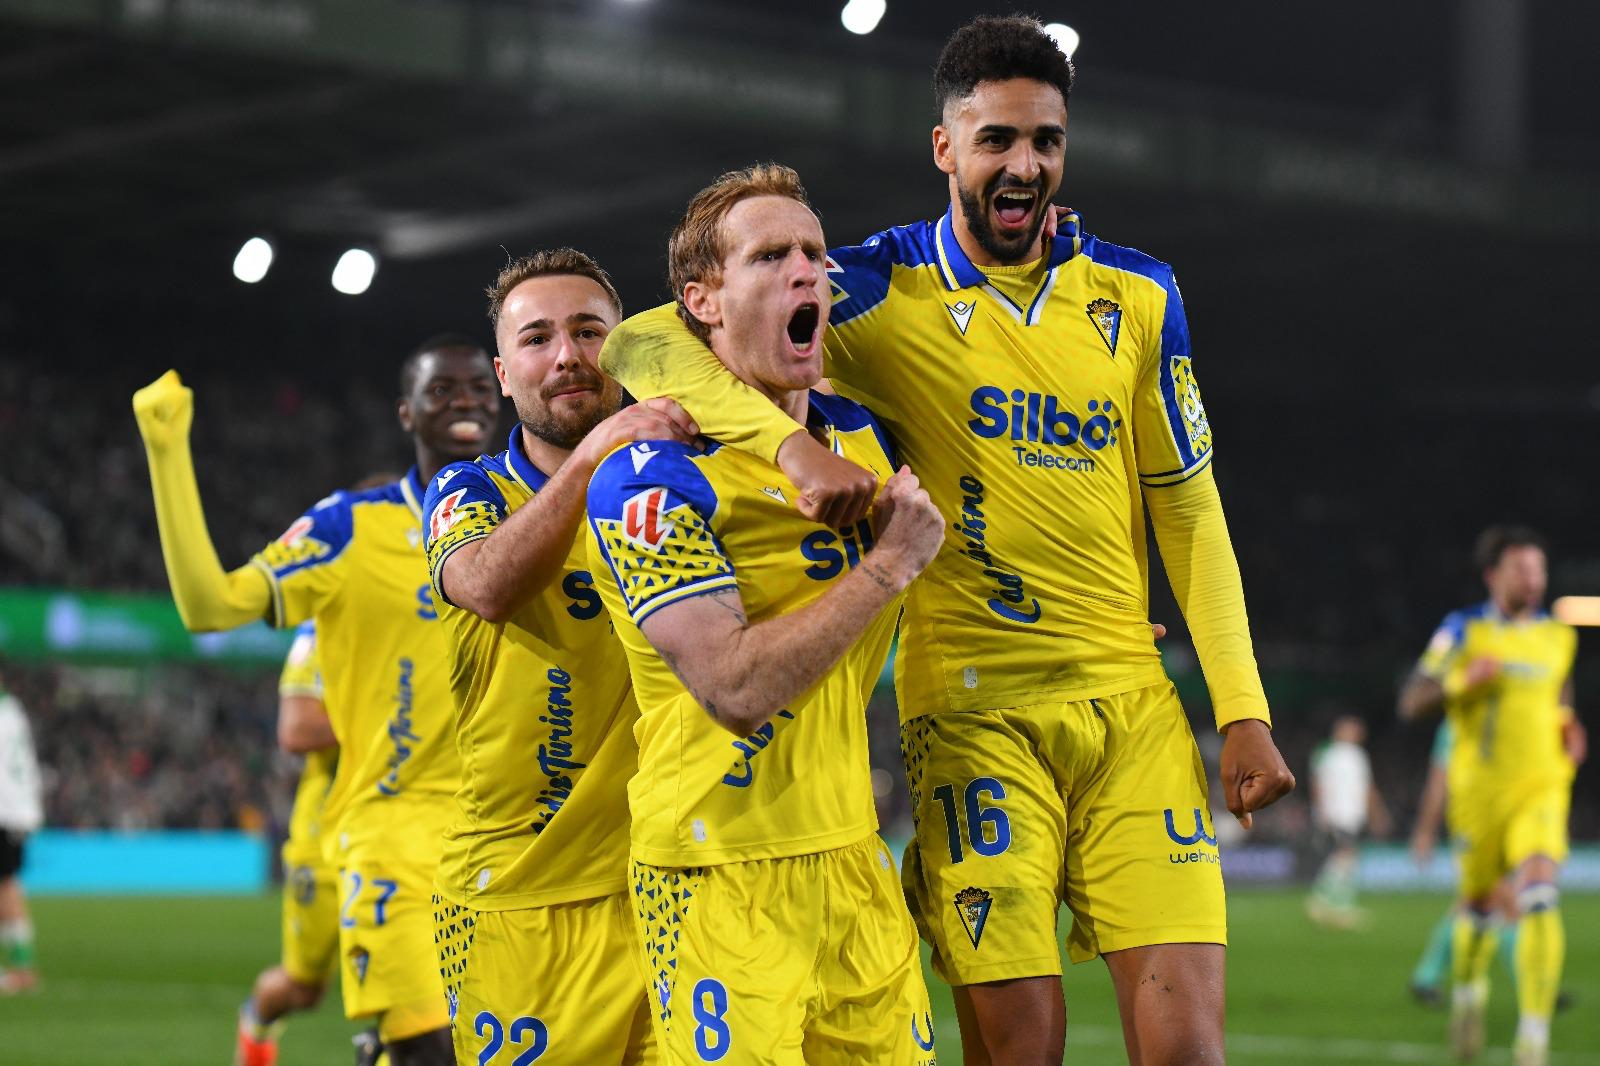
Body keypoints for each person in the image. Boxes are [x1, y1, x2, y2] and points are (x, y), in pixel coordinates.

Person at [596, 16, 1294, 1064]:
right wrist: (788, 455)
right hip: (972, 712)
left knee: (1189, 1048)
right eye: (997, 140)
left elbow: (1188, 507)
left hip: (1132, 706)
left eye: (1046, 141)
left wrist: (1239, 709)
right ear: (945, 150)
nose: (1025, 164)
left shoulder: (1141, 295)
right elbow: (643, 339)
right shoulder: (868, 292)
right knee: (1022, 1046)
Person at [586, 164, 943, 1064]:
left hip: (854, 862)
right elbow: (732, 686)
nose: (806, 271)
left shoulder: (861, 434)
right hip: (715, 872)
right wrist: (886, 567)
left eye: (815, 254)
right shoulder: (650, 477)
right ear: (700, 303)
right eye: (770, 255)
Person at [133, 341, 500, 1065]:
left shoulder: (534, 513)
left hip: (512, 837)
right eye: (442, 389)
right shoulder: (349, 530)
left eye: (479, 387)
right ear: (407, 411)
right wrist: (166, 450)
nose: (465, 400)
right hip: (392, 838)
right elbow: (211, 606)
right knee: (430, 1049)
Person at [424, 248, 695, 1065]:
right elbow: (486, 586)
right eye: (538, 339)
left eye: (588, 331)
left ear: (627, 350)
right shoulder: (467, 492)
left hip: (674, 888)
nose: (569, 355)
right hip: (519, 898)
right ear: (505, 374)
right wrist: (595, 455)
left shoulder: (690, 483)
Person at [1399, 525, 1587, 1066]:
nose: (1533, 579)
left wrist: (1568, 724)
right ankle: (1466, 994)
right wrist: (1460, 683)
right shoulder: (1460, 632)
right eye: (1521, 569)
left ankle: (1532, 1040)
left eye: (1539, 569)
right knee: (1479, 908)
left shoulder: (1559, 637)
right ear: (1493, 576)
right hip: (1479, 795)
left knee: (1538, 896)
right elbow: (1413, 700)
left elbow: (1560, 692)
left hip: (1543, 788)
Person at [234, 620, 344, 1066]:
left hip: (408, 834)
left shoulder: (435, 607)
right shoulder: (321, 629)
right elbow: (297, 730)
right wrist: (387, 714)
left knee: (420, 995)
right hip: (325, 840)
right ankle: (256, 1022)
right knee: (303, 988)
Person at [1305, 715, 1390, 930]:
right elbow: (1317, 784)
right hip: (1338, 813)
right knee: (1347, 854)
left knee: (1346, 856)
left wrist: (1376, 813)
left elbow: (1367, 787)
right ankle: (1326, 900)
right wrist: (1321, 811)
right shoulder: (1328, 753)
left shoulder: (1358, 755)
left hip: (1353, 814)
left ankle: (1331, 903)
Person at [0, 668, 42, 995]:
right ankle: (20, 965)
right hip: (18, 809)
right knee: (6, 884)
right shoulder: (13, 711)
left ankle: (22, 968)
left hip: (5, 809)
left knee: (6, 885)